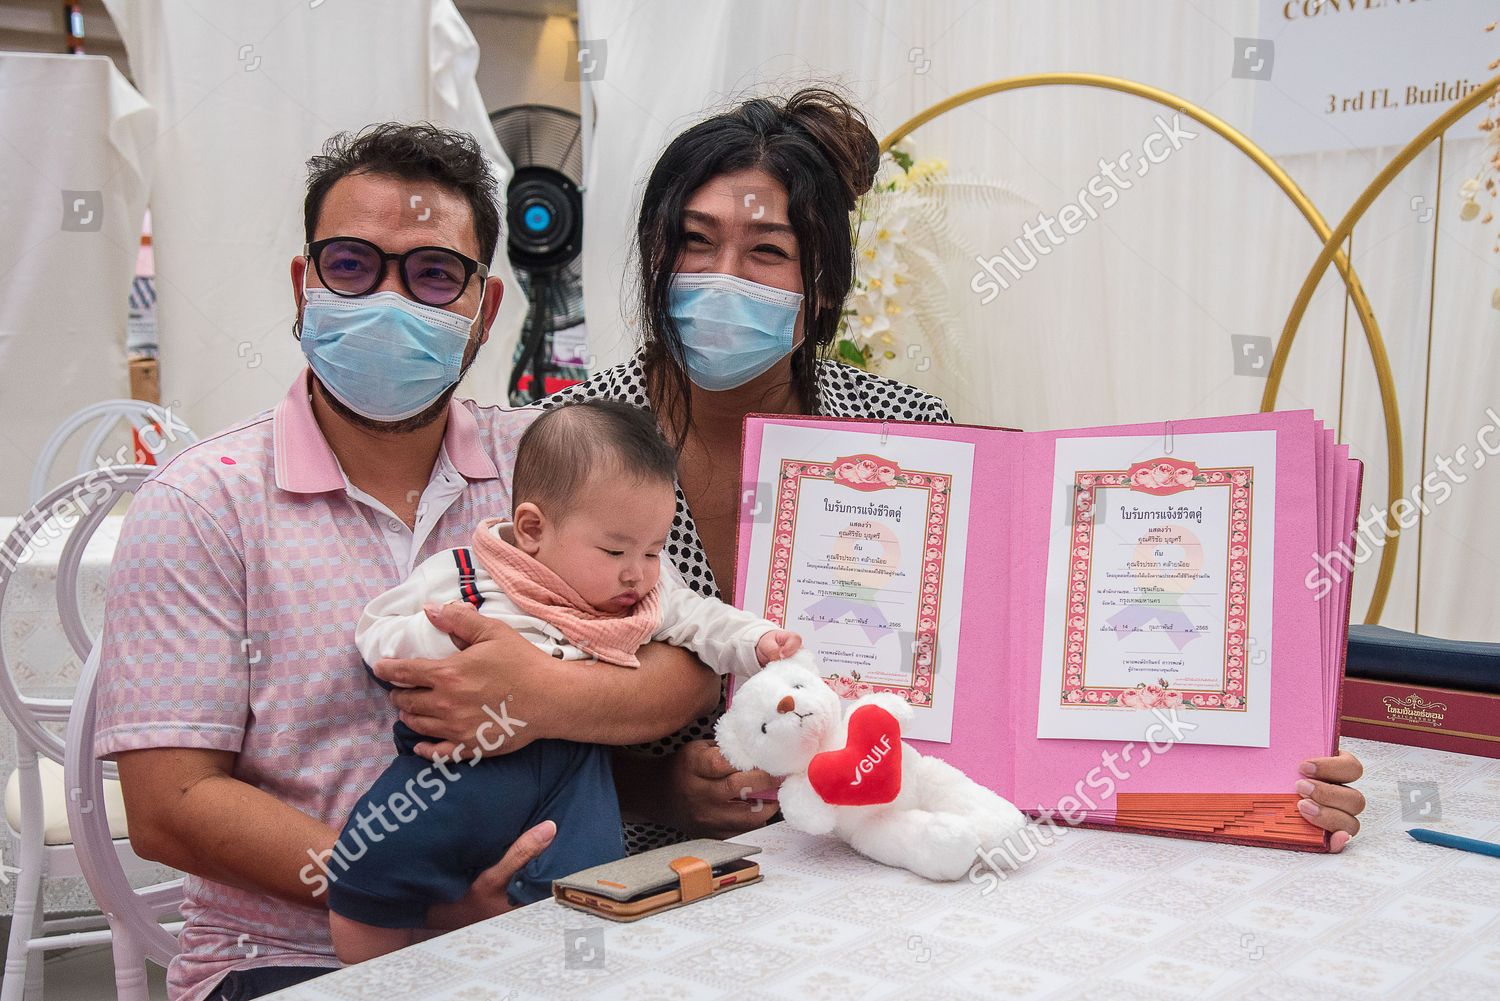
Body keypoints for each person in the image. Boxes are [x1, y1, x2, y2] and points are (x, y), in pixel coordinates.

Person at [540, 86, 1368, 856]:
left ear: (822, 281)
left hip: (866, 864)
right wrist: (656, 788)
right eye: (695, 240)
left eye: (766, 250)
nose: (723, 276)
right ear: (654, 248)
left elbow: (1006, 705)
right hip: (637, 878)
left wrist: (1262, 780)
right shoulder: (565, 445)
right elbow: (513, 716)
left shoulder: (913, 440)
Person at [93, 124, 727, 1001]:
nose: (389, 299)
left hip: (550, 933)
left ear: (485, 310)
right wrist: (407, 896)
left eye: (432, 274)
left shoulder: (544, 466)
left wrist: (544, 697)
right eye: (352, 265)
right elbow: (169, 805)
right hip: (291, 953)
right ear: (304, 285)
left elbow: (688, 657)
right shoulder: (205, 505)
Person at [327, 399, 800, 963]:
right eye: (616, 550)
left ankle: (567, 972)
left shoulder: (642, 596)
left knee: (588, 877)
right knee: (383, 853)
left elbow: (702, 619)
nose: (638, 571)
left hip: (580, 768)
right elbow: (378, 629)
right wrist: (444, 650)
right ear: (532, 529)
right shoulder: (470, 578)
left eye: (654, 550)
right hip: (459, 764)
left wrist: (757, 641)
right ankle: (366, 966)